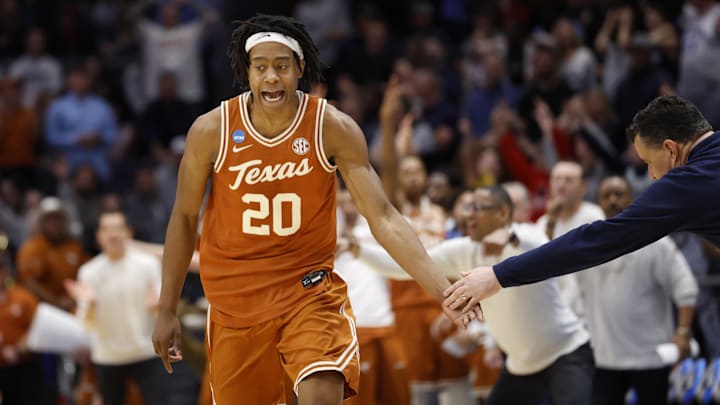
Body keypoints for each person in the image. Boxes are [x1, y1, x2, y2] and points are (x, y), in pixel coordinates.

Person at [151, 14, 476, 405]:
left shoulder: (331, 127)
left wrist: (444, 290)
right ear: (247, 72)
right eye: (261, 68)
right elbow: (185, 219)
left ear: (300, 69)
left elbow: (383, 216)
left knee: (322, 394)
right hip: (235, 303)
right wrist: (167, 308)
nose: (271, 77)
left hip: (307, 292)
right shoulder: (212, 130)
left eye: (282, 66)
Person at [444, 96, 719, 320]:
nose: (652, 176)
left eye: (647, 161)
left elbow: (598, 240)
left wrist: (498, 275)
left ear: (670, 149)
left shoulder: (686, 185)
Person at [349, 186, 594, 405]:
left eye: (478, 208)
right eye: (467, 207)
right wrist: (357, 249)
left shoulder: (528, 237)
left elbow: (540, 247)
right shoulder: (463, 250)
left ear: (502, 214)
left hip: (566, 351)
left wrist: (510, 237)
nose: (468, 214)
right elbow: (407, 266)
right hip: (521, 365)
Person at [65, 210, 168, 405]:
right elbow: (84, 324)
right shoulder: (88, 272)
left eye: (118, 228)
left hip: (146, 351)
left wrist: (158, 307)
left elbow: (161, 310)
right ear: (99, 236)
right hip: (107, 356)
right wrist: (91, 305)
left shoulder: (148, 264)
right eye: (106, 229)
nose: (113, 234)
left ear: (129, 232)